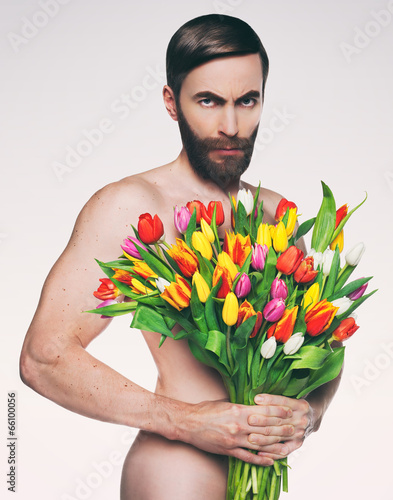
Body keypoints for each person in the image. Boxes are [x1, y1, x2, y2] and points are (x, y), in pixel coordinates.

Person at [20, 14, 342, 500]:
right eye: (208, 101)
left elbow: (324, 347)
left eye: (247, 101)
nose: (231, 126)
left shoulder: (277, 213)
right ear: (172, 103)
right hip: (175, 474)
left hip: (261, 480)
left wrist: (310, 415)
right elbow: (44, 358)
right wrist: (186, 422)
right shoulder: (131, 205)